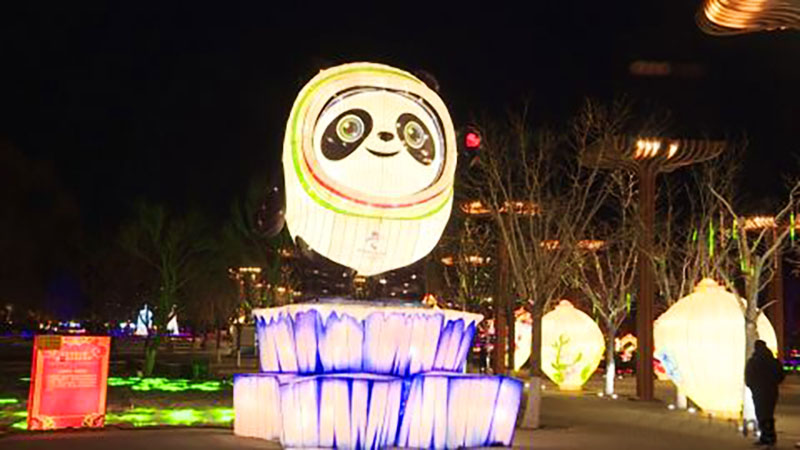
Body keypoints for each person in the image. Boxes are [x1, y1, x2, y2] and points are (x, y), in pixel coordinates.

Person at [745, 339, 785, 446]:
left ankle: (766, 437)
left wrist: (753, 387)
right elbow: (781, 376)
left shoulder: (753, 361)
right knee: (768, 414)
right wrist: (773, 383)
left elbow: (748, 377)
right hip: (771, 392)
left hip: (759, 392)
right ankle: (769, 437)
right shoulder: (773, 361)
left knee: (761, 415)